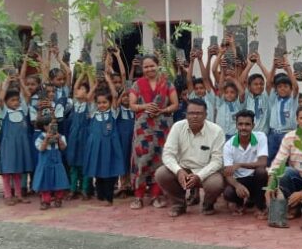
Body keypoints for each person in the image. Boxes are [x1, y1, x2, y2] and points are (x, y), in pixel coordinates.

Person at [157, 99, 226, 216]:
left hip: (206, 171)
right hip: (183, 169)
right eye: (191, 113)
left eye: (199, 113)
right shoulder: (177, 127)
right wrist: (178, 171)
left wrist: (199, 176)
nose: (194, 116)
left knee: (216, 183)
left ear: (206, 115)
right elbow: (168, 154)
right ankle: (178, 204)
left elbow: (217, 161)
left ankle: (208, 204)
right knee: (161, 173)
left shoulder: (216, 131)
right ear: (186, 114)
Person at [128, 55, 180, 209]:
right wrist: (145, 107)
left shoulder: (167, 83)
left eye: (152, 66)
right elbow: (132, 105)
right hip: (143, 129)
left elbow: (175, 104)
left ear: (158, 66)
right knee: (141, 161)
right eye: (146, 67)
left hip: (162, 128)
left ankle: (156, 196)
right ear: (142, 69)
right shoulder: (137, 85)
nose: (149, 69)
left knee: (160, 161)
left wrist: (163, 110)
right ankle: (138, 196)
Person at [82, 69, 126, 207]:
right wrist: (95, 84)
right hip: (96, 146)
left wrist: (108, 79)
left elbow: (113, 94)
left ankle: (109, 198)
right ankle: (100, 195)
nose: (101, 105)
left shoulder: (112, 113)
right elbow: (89, 98)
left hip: (110, 147)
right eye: (99, 103)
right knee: (97, 170)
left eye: (104, 103)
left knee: (110, 171)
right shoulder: (94, 113)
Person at [222, 110, 269, 218]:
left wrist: (240, 164)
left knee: (261, 172)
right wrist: (237, 186)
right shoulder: (228, 145)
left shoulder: (261, 137)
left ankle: (260, 206)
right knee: (228, 193)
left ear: (253, 125)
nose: (243, 127)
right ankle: (239, 204)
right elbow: (227, 173)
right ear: (236, 125)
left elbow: (263, 162)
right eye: (240, 124)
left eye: (247, 124)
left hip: (255, 179)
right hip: (240, 180)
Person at [0, 78, 36, 206]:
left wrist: (20, 81)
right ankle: (8, 196)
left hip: (21, 146)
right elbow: (0, 99)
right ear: (7, 102)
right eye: (12, 100)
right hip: (8, 146)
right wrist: (6, 83)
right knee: (8, 172)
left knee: (18, 172)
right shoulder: (5, 112)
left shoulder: (22, 110)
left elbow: (27, 95)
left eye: (17, 100)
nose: (16, 102)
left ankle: (19, 195)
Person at [65, 76, 92, 200]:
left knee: (85, 164)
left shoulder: (90, 105)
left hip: (85, 138)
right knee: (73, 164)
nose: (77, 91)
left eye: (82, 89)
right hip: (73, 137)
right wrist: (82, 72)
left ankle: (85, 189)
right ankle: (72, 189)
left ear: (87, 92)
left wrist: (89, 75)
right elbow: (74, 86)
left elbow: (91, 92)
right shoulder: (74, 104)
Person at [32, 119, 69, 210]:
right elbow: (41, 149)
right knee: (45, 181)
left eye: (55, 124)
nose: (53, 126)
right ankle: (46, 201)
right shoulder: (40, 137)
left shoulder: (60, 136)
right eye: (50, 124)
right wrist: (47, 138)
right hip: (45, 163)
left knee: (59, 180)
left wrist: (59, 138)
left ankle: (58, 199)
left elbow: (63, 147)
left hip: (57, 162)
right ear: (44, 126)